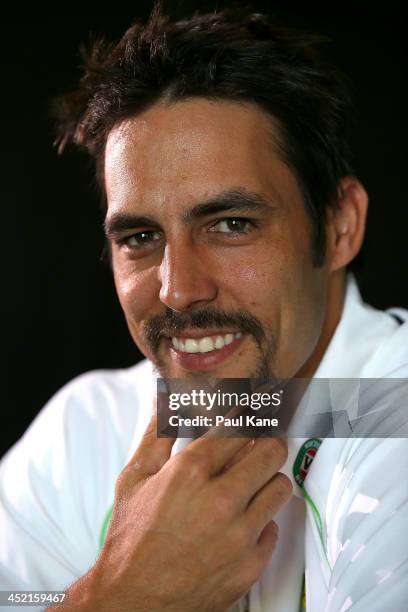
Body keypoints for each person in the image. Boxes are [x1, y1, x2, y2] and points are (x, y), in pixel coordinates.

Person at [1, 6, 407, 611]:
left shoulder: (392, 412)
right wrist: (121, 596)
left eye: (231, 224)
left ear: (340, 225)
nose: (177, 290)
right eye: (140, 238)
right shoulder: (87, 426)